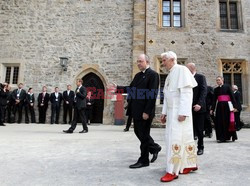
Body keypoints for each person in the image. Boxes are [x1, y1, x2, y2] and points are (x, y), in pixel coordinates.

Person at [108, 54, 161, 169]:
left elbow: (152, 95)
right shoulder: (138, 75)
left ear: (147, 62)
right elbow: (131, 89)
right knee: (139, 133)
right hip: (135, 110)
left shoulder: (153, 75)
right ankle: (154, 148)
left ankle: (144, 160)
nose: (138, 63)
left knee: (144, 135)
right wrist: (118, 88)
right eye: (137, 61)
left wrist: (147, 111)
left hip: (144, 112)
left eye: (140, 61)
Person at [160, 51, 198, 182]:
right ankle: (189, 164)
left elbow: (187, 93)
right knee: (183, 138)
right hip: (172, 112)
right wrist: (164, 113)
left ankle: (172, 171)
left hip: (179, 112)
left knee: (175, 139)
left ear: (172, 59)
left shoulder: (181, 70)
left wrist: (183, 112)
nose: (162, 63)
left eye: (164, 60)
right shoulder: (170, 74)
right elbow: (167, 95)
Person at [186, 63, 207, 156]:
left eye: (187, 68)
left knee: (199, 129)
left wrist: (199, 104)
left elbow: (203, 91)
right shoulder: (186, 78)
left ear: (192, 68)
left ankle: (200, 147)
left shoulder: (200, 77)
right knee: (189, 130)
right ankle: (189, 148)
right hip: (188, 108)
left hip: (198, 108)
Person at [210, 76, 237, 142]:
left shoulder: (227, 87)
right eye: (217, 80)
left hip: (227, 106)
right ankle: (221, 137)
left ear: (222, 80)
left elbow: (232, 97)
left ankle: (231, 136)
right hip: (219, 107)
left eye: (219, 80)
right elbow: (214, 100)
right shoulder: (216, 89)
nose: (218, 81)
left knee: (229, 121)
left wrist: (235, 107)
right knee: (219, 121)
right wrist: (212, 109)